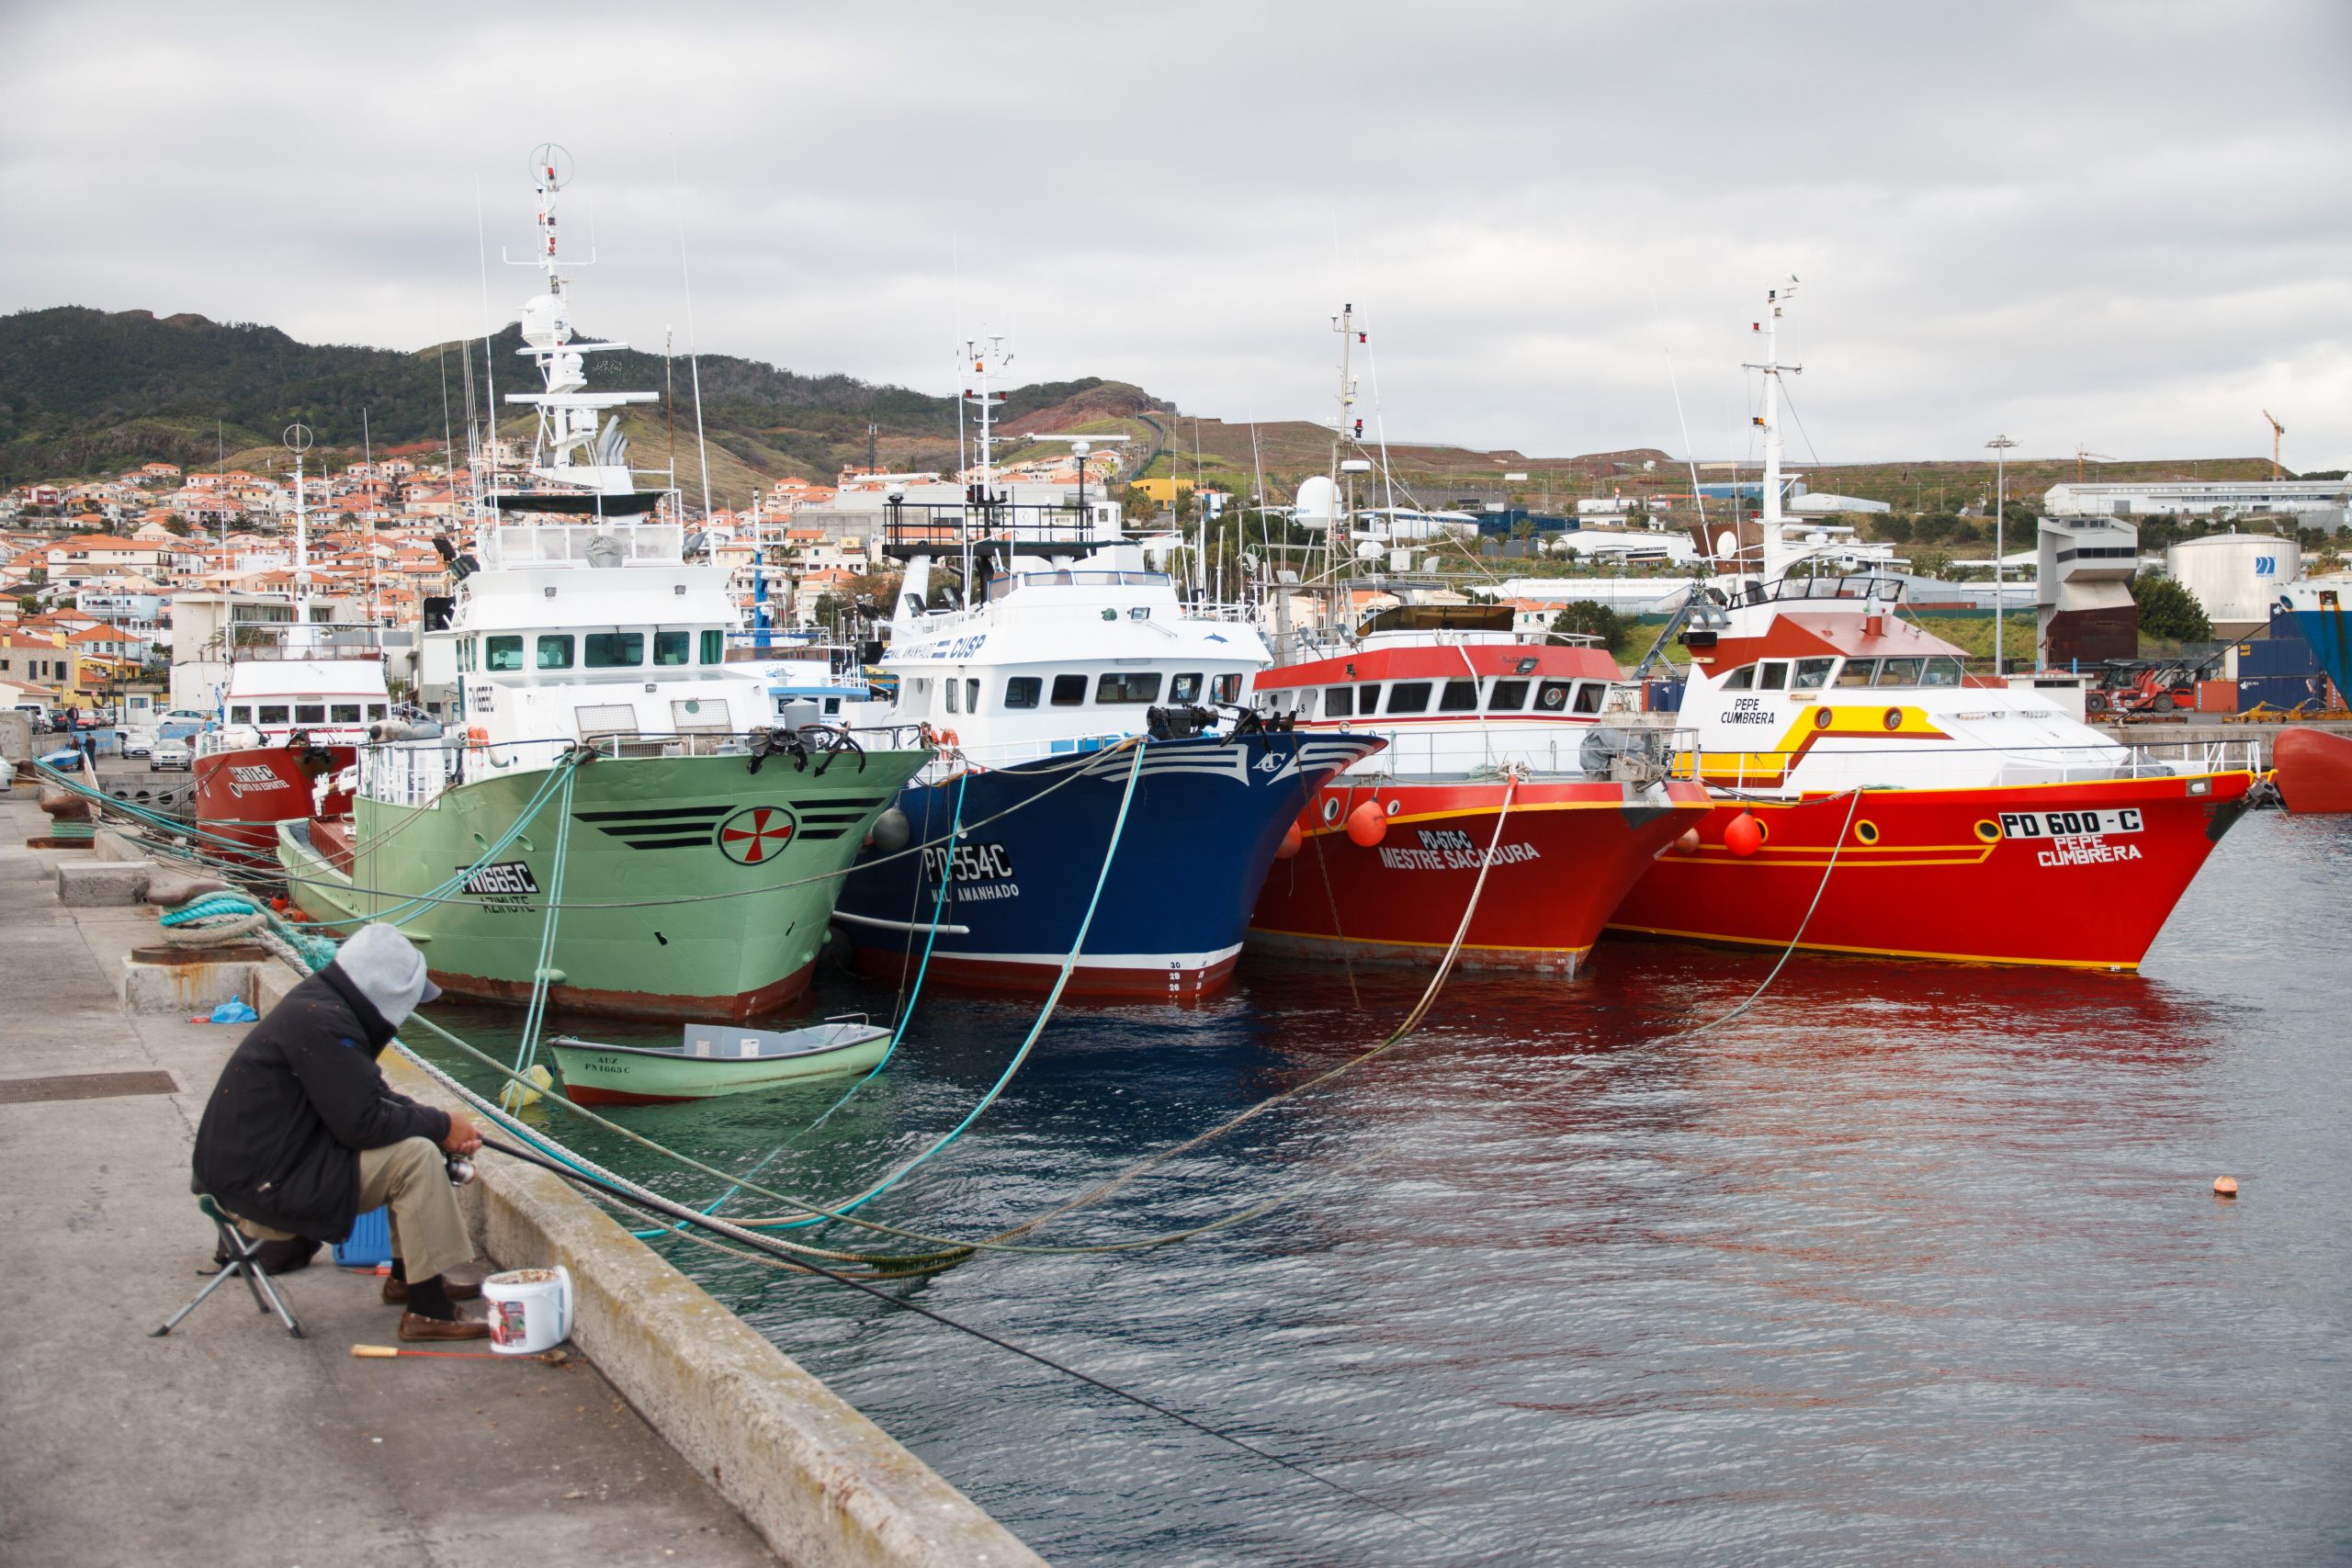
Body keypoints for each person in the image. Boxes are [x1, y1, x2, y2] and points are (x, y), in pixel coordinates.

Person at [192, 923, 490, 1340]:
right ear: (385, 991)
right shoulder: (324, 1022)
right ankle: (429, 1312)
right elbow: (362, 1124)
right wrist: (441, 1126)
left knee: (414, 1138)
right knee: (416, 1156)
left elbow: (368, 1096)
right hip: (258, 1189)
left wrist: (437, 1121)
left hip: (258, 1170)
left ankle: (410, 1279)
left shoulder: (321, 1006)